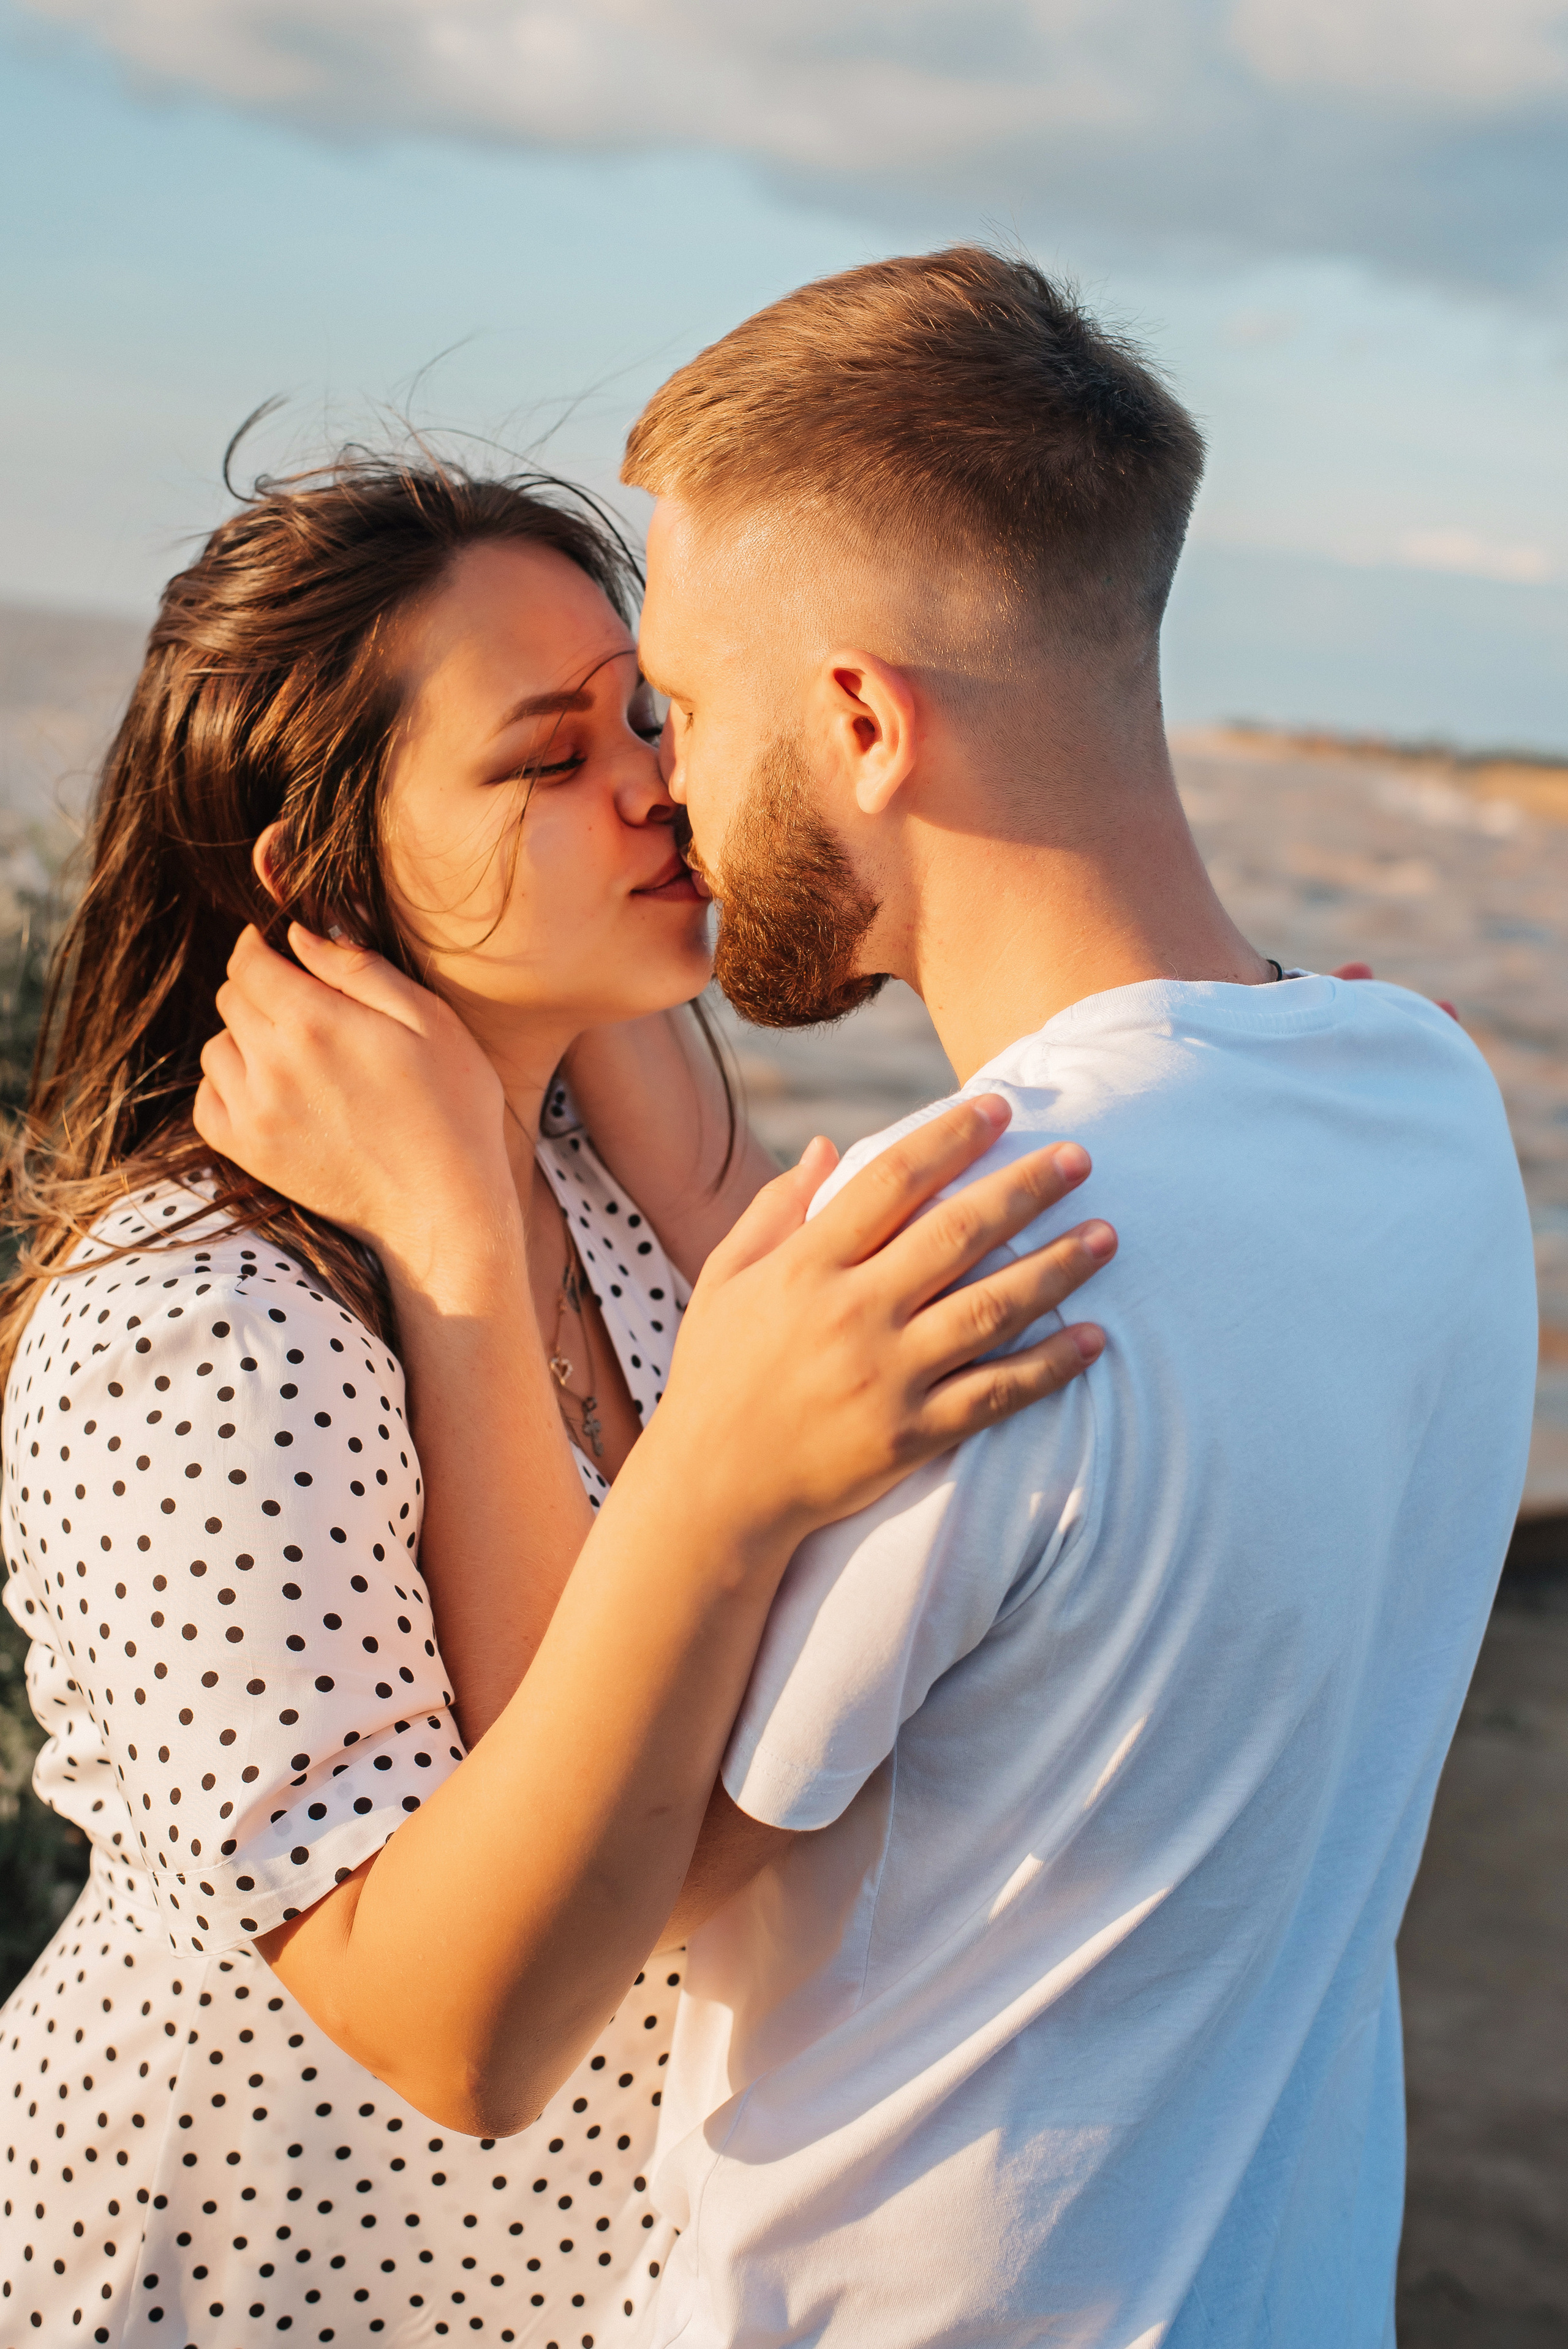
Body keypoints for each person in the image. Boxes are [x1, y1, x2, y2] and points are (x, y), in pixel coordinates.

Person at [202, 248, 1538, 2348]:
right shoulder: (1422, 1093)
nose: (663, 788)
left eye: (678, 708)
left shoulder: (950, 1284)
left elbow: (599, 1887)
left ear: (859, 722)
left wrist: (500, 1270)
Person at [0, 456, 1114, 2348]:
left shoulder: (615, 1188)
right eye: (547, 756)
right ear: (317, 873)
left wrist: (1241, 1077)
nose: (659, 783)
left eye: (649, 716)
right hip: (235, 2282)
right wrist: (450, 1242)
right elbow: (459, 2009)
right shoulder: (193, 1330)